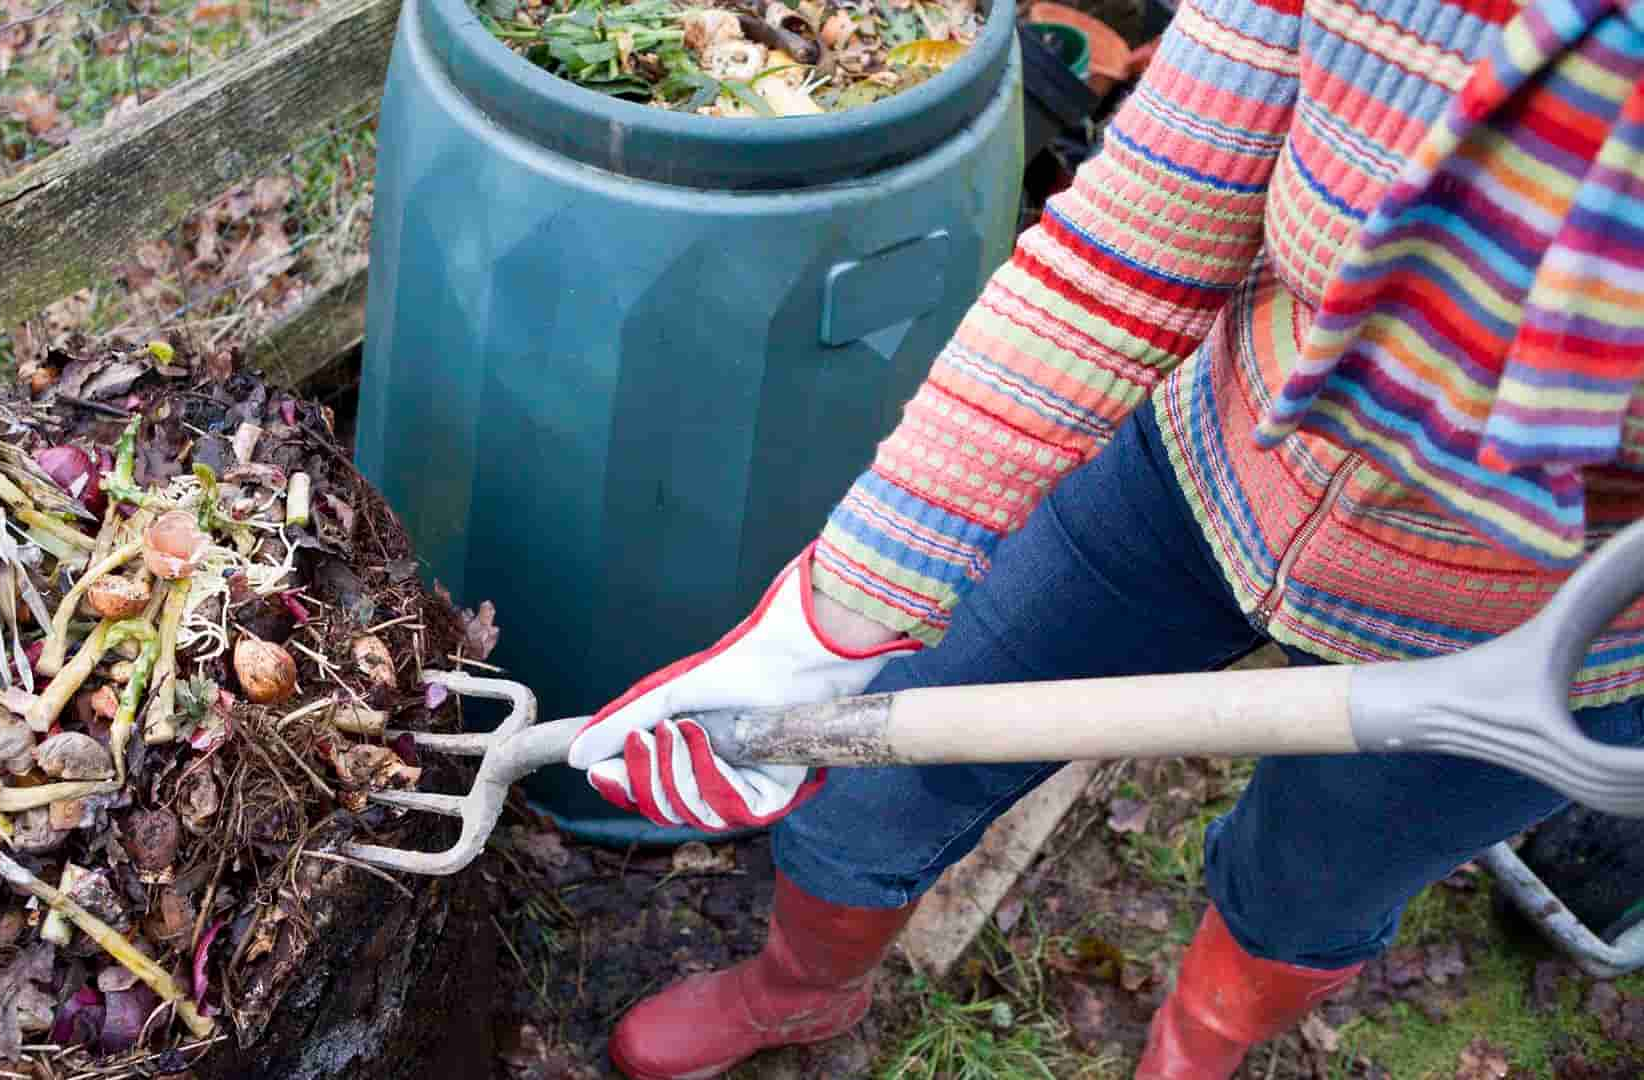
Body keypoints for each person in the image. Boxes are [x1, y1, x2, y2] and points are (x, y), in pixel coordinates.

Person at [562, 0, 1644, 1074]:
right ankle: (798, 993)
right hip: (1199, 474)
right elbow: (1128, 250)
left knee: (1308, 894)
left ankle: (1193, 1051)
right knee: (871, 782)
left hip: (1533, 642)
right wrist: (834, 618)